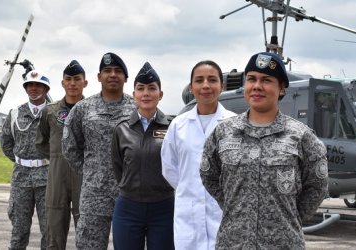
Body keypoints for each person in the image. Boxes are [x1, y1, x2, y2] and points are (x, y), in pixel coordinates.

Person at [200, 52, 328, 250]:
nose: (257, 86)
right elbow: (209, 175)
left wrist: (288, 216)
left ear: (282, 88)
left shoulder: (301, 136)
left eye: (266, 80)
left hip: (283, 244)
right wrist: (234, 206)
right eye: (252, 79)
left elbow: (317, 187)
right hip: (233, 243)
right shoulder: (223, 133)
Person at [62, 52, 137, 250]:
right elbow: (70, 147)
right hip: (94, 196)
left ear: (125, 78)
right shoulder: (83, 109)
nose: (113, 75)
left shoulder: (138, 108)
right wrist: (91, 173)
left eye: (118, 71)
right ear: (98, 77)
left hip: (131, 194)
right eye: (107, 71)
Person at [161, 60, 235, 250]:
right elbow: (169, 168)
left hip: (224, 216)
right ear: (191, 87)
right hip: (188, 217)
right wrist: (191, 188)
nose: (206, 86)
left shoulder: (235, 125)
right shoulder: (178, 125)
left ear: (222, 86)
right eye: (199, 80)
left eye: (212, 80)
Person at [111, 62, 175, 250]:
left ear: (160, 94)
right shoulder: (122, 129)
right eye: (141, 89)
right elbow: (118, 167)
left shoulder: (173, 127)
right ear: (134, 95)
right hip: (128, 207)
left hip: (164, 207)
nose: (146, 93)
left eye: (151, 88)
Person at [35, 60, 88, 250]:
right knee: (54, 229)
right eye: (68, 79)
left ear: (85, 83)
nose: (72, 83)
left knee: (88, 229)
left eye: (77, 79)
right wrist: (58, 157)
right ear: (63, 83)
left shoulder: (92, 110)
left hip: (85, 175)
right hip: (57, 174)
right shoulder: (50, 111)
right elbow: (41, 142)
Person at [1, 70, 51, 250]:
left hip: (47, 177)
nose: (34, 88)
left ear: (46, 88)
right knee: (19, 229)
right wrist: (21, 161)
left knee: (49, 229)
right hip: (21, 178)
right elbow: (6, 142)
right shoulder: (15, 113)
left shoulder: (54, 113)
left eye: (38, 85)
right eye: (30, 85)